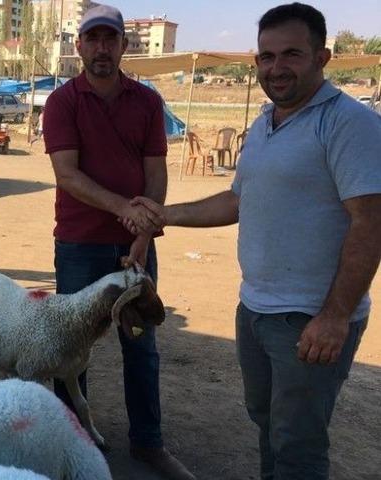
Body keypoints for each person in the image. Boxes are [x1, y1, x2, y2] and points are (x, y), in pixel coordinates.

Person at [127, 4, 381, 479]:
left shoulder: (349, 123)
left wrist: (334, 317)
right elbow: (237, 200)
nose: (276, 68)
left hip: (309, 318)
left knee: (297, 446)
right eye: (266, 56)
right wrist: (165, 215)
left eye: (291, 54)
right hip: (256, 311)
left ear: (322, 57)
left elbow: (371, 224)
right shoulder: (267, 124)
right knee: (268, 426)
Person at [42, 5, 194, 479]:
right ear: (79, 46)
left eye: (111, 39)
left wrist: (145, 232)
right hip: (80, 244)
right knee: (71, 348)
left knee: (141, 345)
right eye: (94, 39)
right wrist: (125, 210)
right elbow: (67, 174)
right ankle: (69, 445)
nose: (102, 48)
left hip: (135, 246)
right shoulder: (63, 102)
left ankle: (148, 445)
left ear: (125, 46)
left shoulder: (147, 103)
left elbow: (156, 172)